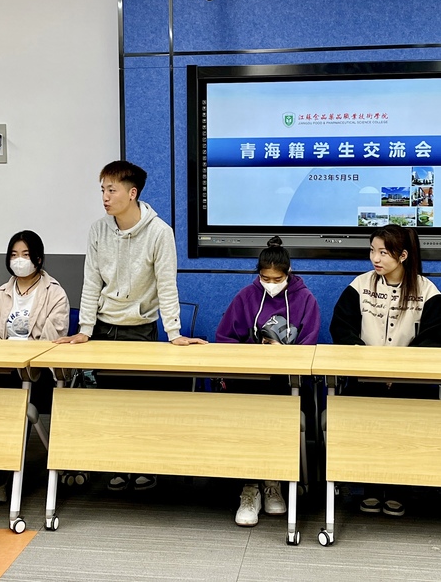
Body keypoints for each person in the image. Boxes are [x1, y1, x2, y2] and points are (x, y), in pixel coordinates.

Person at [55, 160, 206, 492]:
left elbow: (167, 286)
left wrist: (175, 333)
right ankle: (117, 464)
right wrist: (85, 328)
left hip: (139, 328)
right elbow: (91, 281)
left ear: (132, 193)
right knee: (109, 403)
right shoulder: (98, 230)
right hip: (104, 328)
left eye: (112, 190)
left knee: (138, 403)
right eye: (102, 190)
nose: (105, 197)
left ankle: (143, 464)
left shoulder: (159, 232)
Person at [330, 224, 441, 518]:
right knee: (365, 423)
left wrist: (400, 370)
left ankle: (396, 489)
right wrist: (368, 364)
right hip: (364, 379)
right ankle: (369, 487)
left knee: (404, 425)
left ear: (403, 255)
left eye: (383, 252)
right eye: (372, 251)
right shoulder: (359, 285)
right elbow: (341, 328)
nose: (375, 258)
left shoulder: (427, 291)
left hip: (410, 383)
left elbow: (433, 338)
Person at [216, 236, 321, 527]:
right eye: (265, 278)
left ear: (288, 274)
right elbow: (224, 338)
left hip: (286, 382)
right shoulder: (246, 297)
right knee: (247, 417)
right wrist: (254, 351)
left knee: (276, 416)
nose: (271, 284)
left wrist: (283, 353)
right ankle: (250, 487)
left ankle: (273, 482)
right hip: (249, 380)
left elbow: (310, 348)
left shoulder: (305, 300)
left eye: (277, 279)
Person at [0, 230, 69, 502]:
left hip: (39, 374)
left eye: (25, 254)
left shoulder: (55, 294)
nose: (19, 260)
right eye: (14, 254)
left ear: (38, 258)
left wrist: (21, 354)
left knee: (12, 394)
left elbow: (53, 340)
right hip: (4, 369)